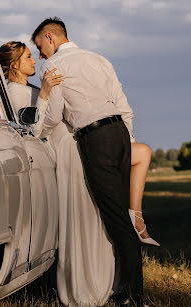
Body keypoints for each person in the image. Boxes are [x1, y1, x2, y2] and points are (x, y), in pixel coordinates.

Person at [31, 17, 145, 306]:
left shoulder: (53, 66)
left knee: (114, 217)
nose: (39, 54)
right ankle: (123, 288)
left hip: (95, 138)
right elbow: (123, 105)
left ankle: (133, 295)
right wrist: (126, 140)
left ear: (50, 37)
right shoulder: (100, 59)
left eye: (40, 46)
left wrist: (38, 131)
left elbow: (55, 116)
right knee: (119, 210)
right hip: (119, 132)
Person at [0, 41, 115, 306]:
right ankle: (79, 287)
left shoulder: (29, 88)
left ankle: (97, 279)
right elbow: (33, 128)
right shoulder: (13, 92)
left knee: (89, 212)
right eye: (28, 56)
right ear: (14, 64)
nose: (34, 61)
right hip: (59, 154)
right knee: (76, 216)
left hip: (70, 148)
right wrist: (46, 92)